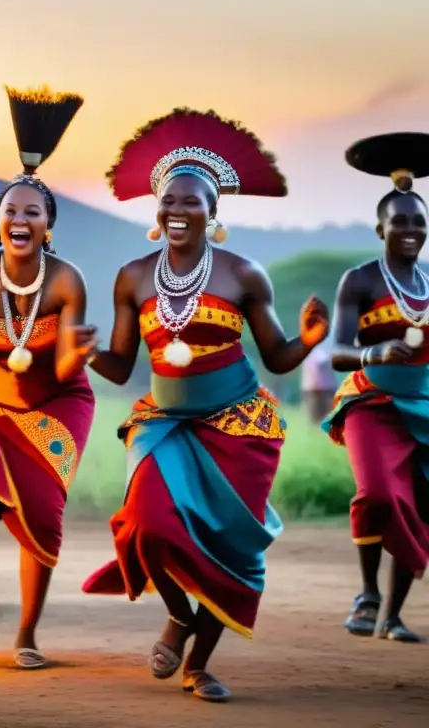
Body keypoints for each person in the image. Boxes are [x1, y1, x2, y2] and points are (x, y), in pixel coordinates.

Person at [81, 108, 329, 702]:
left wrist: (311, 341)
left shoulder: (244, 275)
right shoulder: (133, 277)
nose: (178, 211)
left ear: (213, 214)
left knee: (225, 543)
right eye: (169, 200)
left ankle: (199, 664)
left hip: (236, 426)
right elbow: (121, 364)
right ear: (156, 208)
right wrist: (85, 350)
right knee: (145, 523)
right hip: (165, 423)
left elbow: (276, 356)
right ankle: (180, 613)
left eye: (193, 202)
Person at [0, 86, 96, 670]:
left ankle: (27, 632)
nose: (20, 218)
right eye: (11, 210)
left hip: (58, 401)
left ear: (48, 227)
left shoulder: (66, 280)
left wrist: (76, 355)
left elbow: (59, 368)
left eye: (32, 212)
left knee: (40, 511)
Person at [322, 132, 429, 644]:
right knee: (379, 493)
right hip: (370, 399)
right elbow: (336, 350)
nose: (411, 230)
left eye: (419, 223)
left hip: (424, 407)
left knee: (420, 505)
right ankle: (366, 594)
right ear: (379, 228)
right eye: (400, 222)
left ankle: (393, 615)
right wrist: (375, 352)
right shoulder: (360, 280)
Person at [301, 339, 337, 424]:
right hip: (315, 387)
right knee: (316, 411)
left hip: (324, 387)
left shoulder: (326, 353)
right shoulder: (314, 354)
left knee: (324, 411)